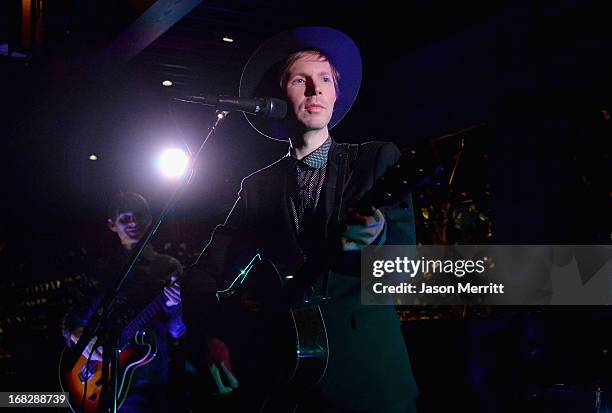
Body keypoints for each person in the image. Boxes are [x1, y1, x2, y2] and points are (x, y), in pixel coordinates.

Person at [184, 27, 419, 412]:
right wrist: (208, 337)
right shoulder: (257, 188)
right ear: (278, 96)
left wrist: (376, 238)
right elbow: (204, 274)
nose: (315, 90)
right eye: (300, 80)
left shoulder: (375, 160)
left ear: (336, 93)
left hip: (373, 384)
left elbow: (403, 269)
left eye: (325, 79)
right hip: (293, 384)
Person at [61, 192, 186, 412]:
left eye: (139, 216)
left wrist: (176, 307)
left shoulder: (167, 266)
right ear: (111, 225)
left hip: (150, 380)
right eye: (125, 218)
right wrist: (78, 335)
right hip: (105, 382)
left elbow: (177, 332)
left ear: (150, 220)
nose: (133, 222)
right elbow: (73, 318)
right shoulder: (103, 270)